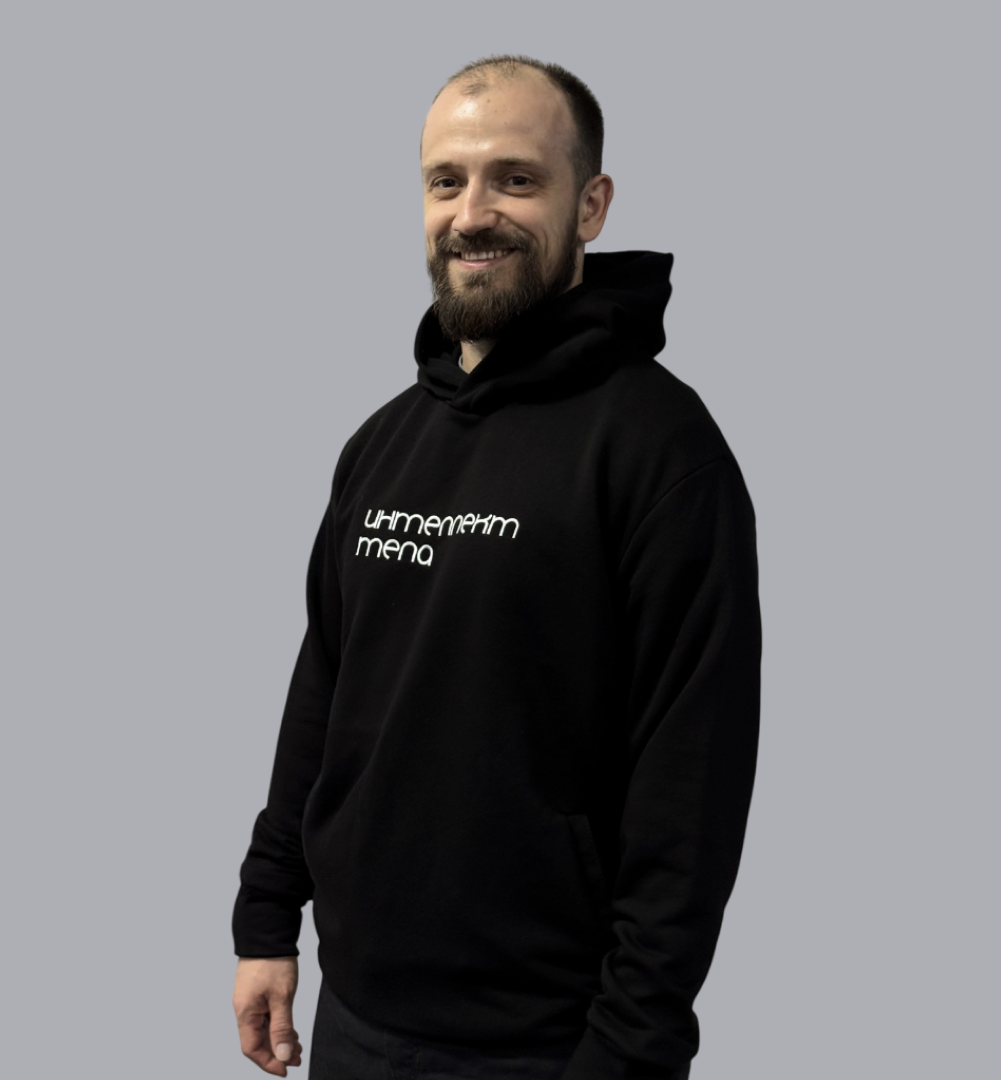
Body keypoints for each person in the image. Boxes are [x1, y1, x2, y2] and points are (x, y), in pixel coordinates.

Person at [231, 54, 761, 1080]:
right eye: (447, 181)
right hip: (355, 1017)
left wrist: (632, 1048)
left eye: (516, 179)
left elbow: (692, 787)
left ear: (590, 205)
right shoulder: (382, 442)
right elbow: (326, 695)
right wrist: (267, 916)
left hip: (548, 1041)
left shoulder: (661, 453)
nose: (473, 214)